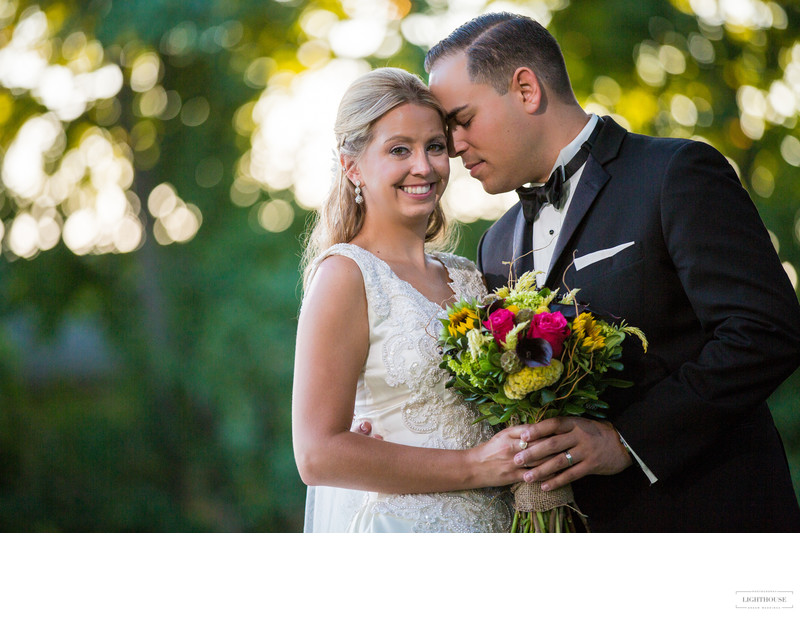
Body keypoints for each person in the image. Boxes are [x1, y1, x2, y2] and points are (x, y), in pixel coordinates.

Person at [424, 12, 800, 531]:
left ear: (527, 90)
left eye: (462, 119)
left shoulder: (675, 174)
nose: (454, 145)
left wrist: (627, 441)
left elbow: (766, 332)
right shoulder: (494, 245)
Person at [292, 67, 528, 532]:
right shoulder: (346, 275)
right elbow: (317, 454)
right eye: (399, 149)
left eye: (435, 147)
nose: (424, 166)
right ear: (352, 165)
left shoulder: (467, 276)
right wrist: (477, 465)